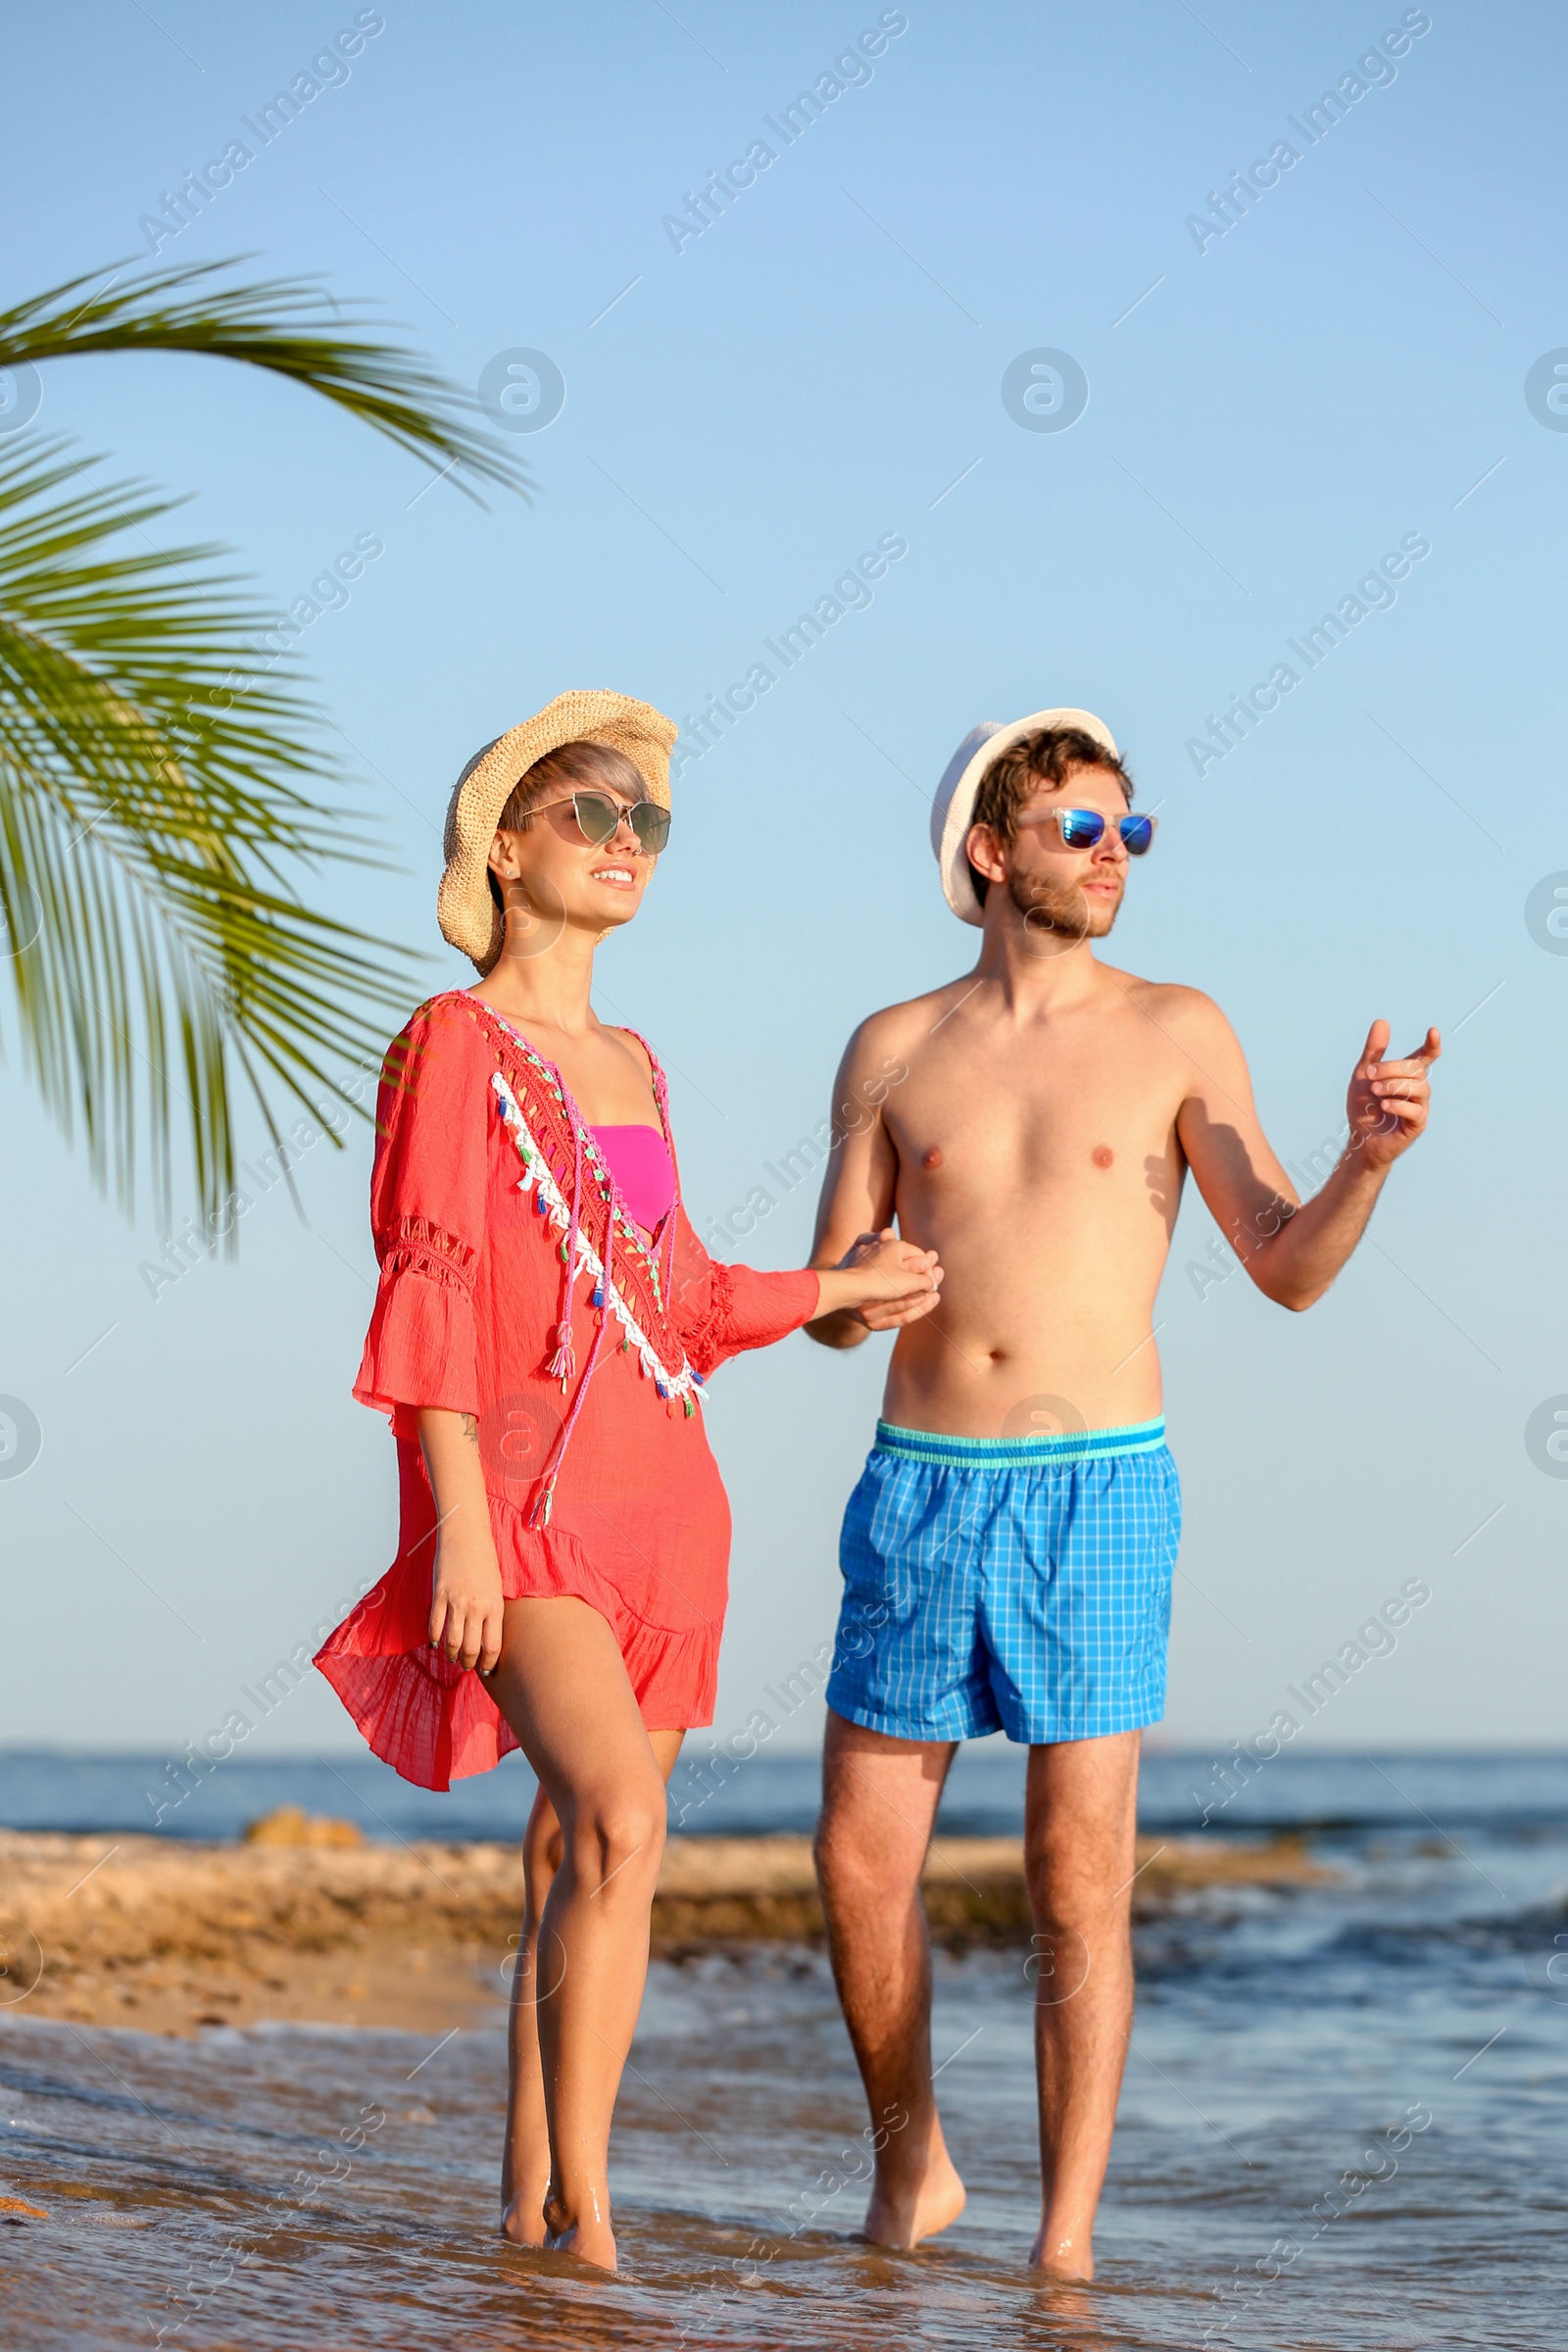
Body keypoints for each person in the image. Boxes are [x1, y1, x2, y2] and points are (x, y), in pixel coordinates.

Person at [805, 708, 1438, 2278]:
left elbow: (1283, 1269)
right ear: (989, 849)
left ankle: (1066, 2245)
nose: (1114, 858)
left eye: (1129, 834)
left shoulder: (1177, 1030)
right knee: (856, 1863)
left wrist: (1364, 1162)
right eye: (1082, 829)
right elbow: (827, 1300)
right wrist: (851, 1288)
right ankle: (915, 2169)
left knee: (1074, 1883)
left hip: (1098, 1485)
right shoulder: (893, 1046)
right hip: (921, 1483)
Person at [315, 690, 942, 2273]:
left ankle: (525, 2211)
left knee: (569, 1854)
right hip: (517, 1513)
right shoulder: (453, 1043)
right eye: (585, 816)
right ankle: (597, 2227)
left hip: (671, 1510)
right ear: (506, 851)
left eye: (643, 822)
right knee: (624, 1822)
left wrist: (838, 1286)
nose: (621, 843)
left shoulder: (637, 1061)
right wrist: (454, 1513)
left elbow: (672, 1301)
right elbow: (431, 1285)